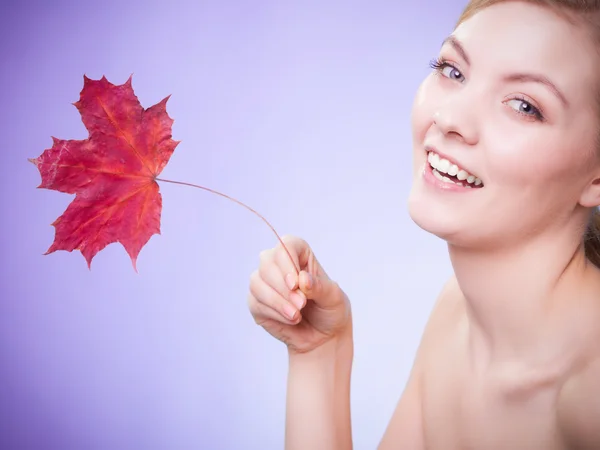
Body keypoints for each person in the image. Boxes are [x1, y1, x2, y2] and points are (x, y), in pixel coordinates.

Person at [247, 0, 600, 448]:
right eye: (452, 71)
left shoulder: (590, 397)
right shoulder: (457, 316)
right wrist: (319, 353)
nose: (450, 119)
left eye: (524, 106)